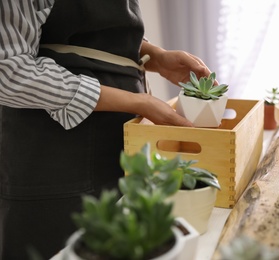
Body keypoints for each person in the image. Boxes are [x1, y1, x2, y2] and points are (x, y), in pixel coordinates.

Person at [0, 0, 215, 259]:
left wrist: (153, 55)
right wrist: (136, 101)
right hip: (55, 154)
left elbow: (89, 33)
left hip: (117, 143)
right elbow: (8, 70)